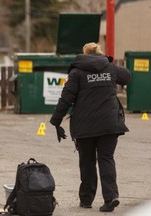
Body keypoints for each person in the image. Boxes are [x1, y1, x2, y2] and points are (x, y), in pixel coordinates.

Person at [50, 42, 131, 212]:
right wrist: (109, 63)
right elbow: (127, 77)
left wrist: (56, 121)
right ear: (99, 53)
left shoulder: (77, 71)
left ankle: (86, 199)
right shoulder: (110, 68)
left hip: (85, 125)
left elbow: (66, 99)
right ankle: (111, 197)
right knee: (106, 159)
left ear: (84, 54)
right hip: (109, 124)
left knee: (87, 162)